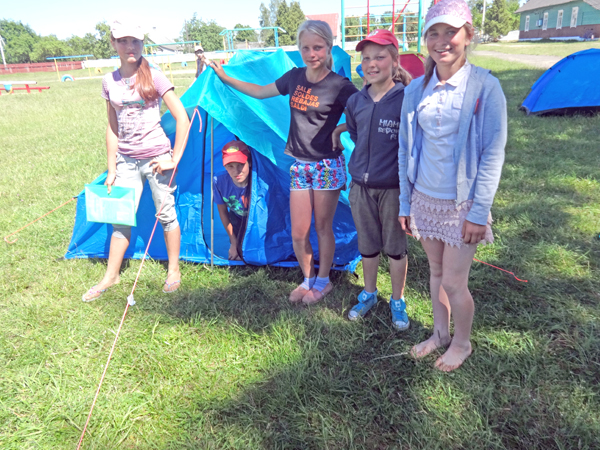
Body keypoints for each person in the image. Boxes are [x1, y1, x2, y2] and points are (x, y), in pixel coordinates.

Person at [206, 20, 358, 304]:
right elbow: (259, 92)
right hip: (299, 166)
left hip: (326, 166)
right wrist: (225, 78)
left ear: (328, 47)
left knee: (322, 227)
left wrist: (340, 129)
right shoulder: (294, 77)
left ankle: (323, 281)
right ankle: (307, 279)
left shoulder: (339, 85)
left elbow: (365, 111)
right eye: (305, 48)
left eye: (318, 47)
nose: (311, 54)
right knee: (299, 231)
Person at [398, 0, 507, 371]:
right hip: (425, 199)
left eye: (451, 32)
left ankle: (462, 343)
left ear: (468, 35)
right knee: (435, 273)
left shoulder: (485, 87)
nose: (442, 41)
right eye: (434, 33)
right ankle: (440, 334)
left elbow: (493, 153)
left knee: (455, 282)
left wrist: (479, 212)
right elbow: (405, 150)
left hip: (463, 205)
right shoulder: (416, 90)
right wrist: (406, 203)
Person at [82, 19, 190, 302]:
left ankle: (173, 270)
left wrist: (173, 159)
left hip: (157, 159)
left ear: (143, 43)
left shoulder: (155, 76)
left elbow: (183, 118)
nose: (130, 46)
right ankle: (111, 275)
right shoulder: (109, 82)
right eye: (123, 41)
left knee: (166, 215)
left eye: (135, 41)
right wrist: (111, 168)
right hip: (126, 161)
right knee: (120, 219)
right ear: (113, 43)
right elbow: (112, 126)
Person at [332, 30, 412, 330]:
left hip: (393, 189)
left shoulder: (407, 99)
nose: (372, 63)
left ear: (395, 61)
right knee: (367, 244)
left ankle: (397, 299)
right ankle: (369, 292)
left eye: (380, 57)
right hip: (361, 187)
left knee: (395, 247)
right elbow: (356, 133)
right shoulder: (356, 101)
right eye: (366, 58)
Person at [213, 140, 251, 261]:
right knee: (237, 256)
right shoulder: (219, 181)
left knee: (252, 254)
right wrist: (234, 242)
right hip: (237, 218)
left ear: (249, 162)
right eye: (230, 166)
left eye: (240, 164)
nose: (236, 171)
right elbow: (223, 212)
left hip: (256, 219)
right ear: (224, 166)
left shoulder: (258, 181)